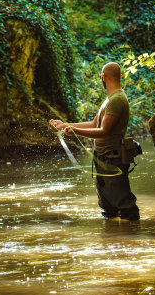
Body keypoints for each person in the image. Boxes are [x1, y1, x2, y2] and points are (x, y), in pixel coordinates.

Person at [49, 62, 140, 221]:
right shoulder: (109, 99)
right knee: (107, 207)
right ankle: (111, 240)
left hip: (113, 159)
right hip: (103, 158)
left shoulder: (117, 100)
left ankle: (130, 239)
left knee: (126, 206)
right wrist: (66, 125)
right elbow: (93, 124)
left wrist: (75, 131)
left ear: (103, 77)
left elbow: (104, 132)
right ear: (119, 77)